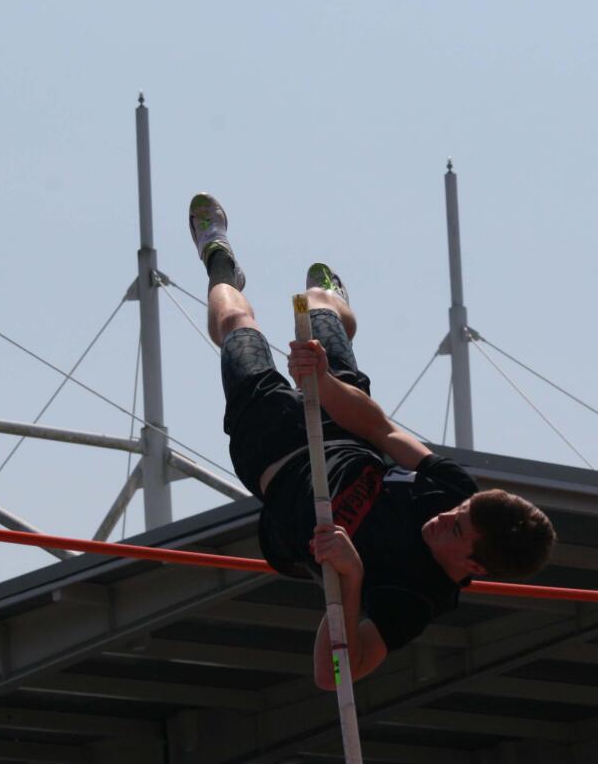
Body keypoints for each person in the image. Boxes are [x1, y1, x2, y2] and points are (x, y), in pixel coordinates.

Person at [189, 193, 556, 690]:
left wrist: (352, 578)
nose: (443, 515)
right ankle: (334, 304)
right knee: (321, 313)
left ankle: (217, 260)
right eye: (458, 511)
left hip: (272, 450)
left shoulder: (414, 598)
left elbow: (334, 673)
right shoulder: (453, 490)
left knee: (237, 327)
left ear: (472, 566)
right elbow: (381, 430)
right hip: (344, 423)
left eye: (455, 529)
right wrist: (323, 383)